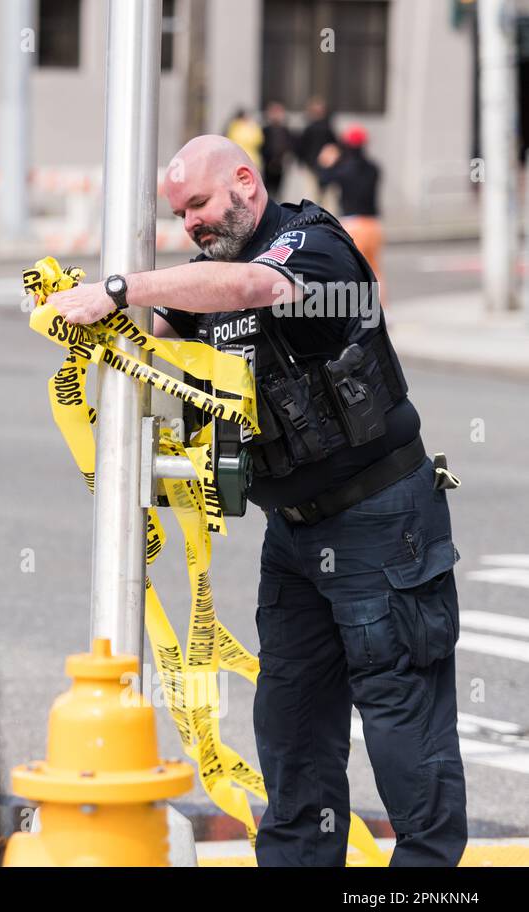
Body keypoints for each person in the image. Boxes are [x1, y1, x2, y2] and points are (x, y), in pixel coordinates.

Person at [46, 135, 465, 867]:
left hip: (381, 523)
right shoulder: (208, 279)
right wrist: (75, 314)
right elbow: (151, 334)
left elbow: (254, 289)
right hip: (296, 538)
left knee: (406, 742)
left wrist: (120, 288)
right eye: (180, 215)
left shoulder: (312, 249)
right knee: (292, 738)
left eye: (200, 206)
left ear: (245, 181)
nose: (192, 227)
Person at [317, 124, 386, 302]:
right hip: (373, 224)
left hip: (352, 224)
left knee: (352, 272)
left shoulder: (343, 169)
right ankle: (381, 309)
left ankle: (359, 313)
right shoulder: (374, 168)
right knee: (374, 269)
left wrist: (326, 162)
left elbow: (324, 181)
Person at [296, 96, 337, 203]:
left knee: (322, 195)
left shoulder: (327, 128)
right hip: (313, 165)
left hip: (323, 166)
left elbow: (334, 147)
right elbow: (302, 146)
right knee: (314, 194)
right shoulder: (311, 128)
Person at [259, 101, 294, 200]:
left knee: (278, 190)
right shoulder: (265, 129)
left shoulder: (284, 129)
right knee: (267, 188)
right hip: (268, 163)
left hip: (280, 164)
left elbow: (289, 145)